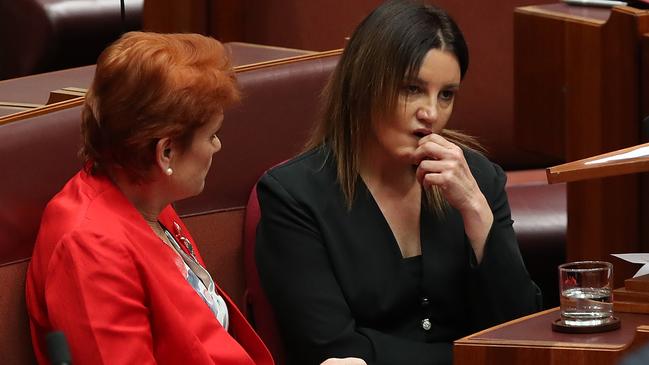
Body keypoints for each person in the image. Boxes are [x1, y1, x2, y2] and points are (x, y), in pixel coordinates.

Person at [254, 1, 542, 365]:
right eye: (411, 88)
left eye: (446, 95)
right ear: (364, 83)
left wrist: (476, 210)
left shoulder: (477, 177)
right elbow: (334, 352)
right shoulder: (294, 196)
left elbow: (521, 334)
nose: (431, 113)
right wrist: (474, 357)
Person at [25, 32, 274, 364]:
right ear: (166, 152)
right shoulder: (90, 247)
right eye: (212, 135)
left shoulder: (146, 198)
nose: (217, 146)